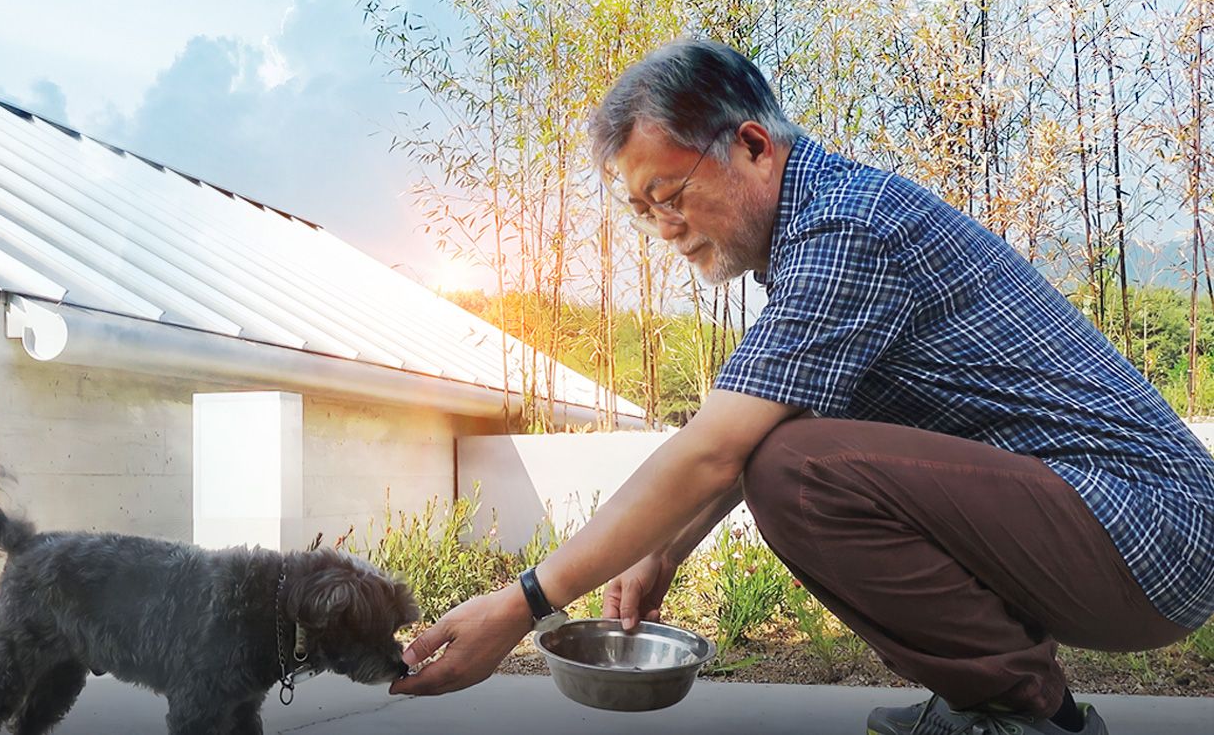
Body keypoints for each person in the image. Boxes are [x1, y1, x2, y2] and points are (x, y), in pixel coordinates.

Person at [390, 39, 1214, 735]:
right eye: (644, 212)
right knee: (788, 452)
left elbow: (717, 451)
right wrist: (664, 551)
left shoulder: (848, 230)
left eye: (671, 196)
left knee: (796, 472)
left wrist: (520, 604)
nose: (667, 232)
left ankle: (1026, 716)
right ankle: (992, 703)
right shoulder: (823, 239)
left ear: (752, 144)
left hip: (1147, 528)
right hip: (1111, 530)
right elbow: (765, 424)